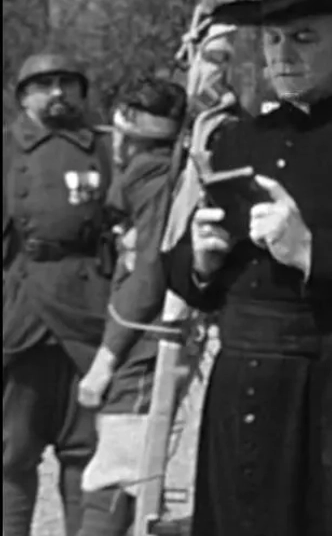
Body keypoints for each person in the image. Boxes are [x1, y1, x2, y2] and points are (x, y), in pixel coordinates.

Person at [164, 0, 332, 536]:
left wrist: (314, 251)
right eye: (272, 39)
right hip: (240, 371)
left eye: (304, 38)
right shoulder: (239, 137)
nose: (283, 55)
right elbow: (179, 272)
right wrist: (200, 261)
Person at [2, 54, 116, 536]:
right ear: (23, 96)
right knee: (12, 451)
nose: (57, 93)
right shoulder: (6, 150)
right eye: (44, 84)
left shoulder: (106, 147)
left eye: (67, 84)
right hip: (21, 307)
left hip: (86, 309)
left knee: (84, 451)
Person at [72, 79, 190, 536]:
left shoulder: (155, 180)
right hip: (145, 339)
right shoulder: (152, 176)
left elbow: (147, 280)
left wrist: (106, 359)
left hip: (148, 343)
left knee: (119, 476)